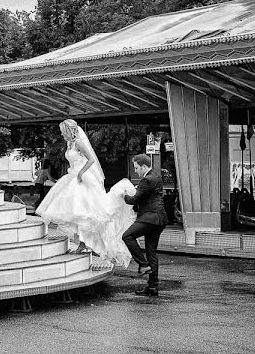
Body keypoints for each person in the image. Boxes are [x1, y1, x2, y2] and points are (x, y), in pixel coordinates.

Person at [36, 119, 135, 266]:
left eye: (63, 131)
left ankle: (90, 244)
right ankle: (81, 244)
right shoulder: (69, 144)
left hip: (82, 178)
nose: (62, 134)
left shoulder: (79, 143)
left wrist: (81, 173)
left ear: (69, 131)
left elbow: (91, 160)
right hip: (72, 177)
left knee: (87, 214)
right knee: (75, 214)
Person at [123, 153, 169, 297]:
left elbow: (133, 200)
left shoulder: (146, 180)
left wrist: (123, 195)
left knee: (127, 236)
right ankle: (152, 287)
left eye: (136, 168)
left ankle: (143, 264)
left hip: (150, 217)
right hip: (160, 219)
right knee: (151, 251)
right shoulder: (156, 176)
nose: (135, 171)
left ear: (144, 166)